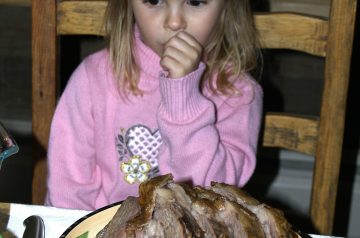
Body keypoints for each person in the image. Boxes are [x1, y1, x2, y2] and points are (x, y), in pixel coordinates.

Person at [45, 0, 263, 210]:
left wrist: (182, 98)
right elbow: (67, 191)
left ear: (228, 5)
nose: (174, 22)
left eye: (196, 1)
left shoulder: (238, 94)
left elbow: (212, 198)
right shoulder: (92, 78)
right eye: (154, 0)